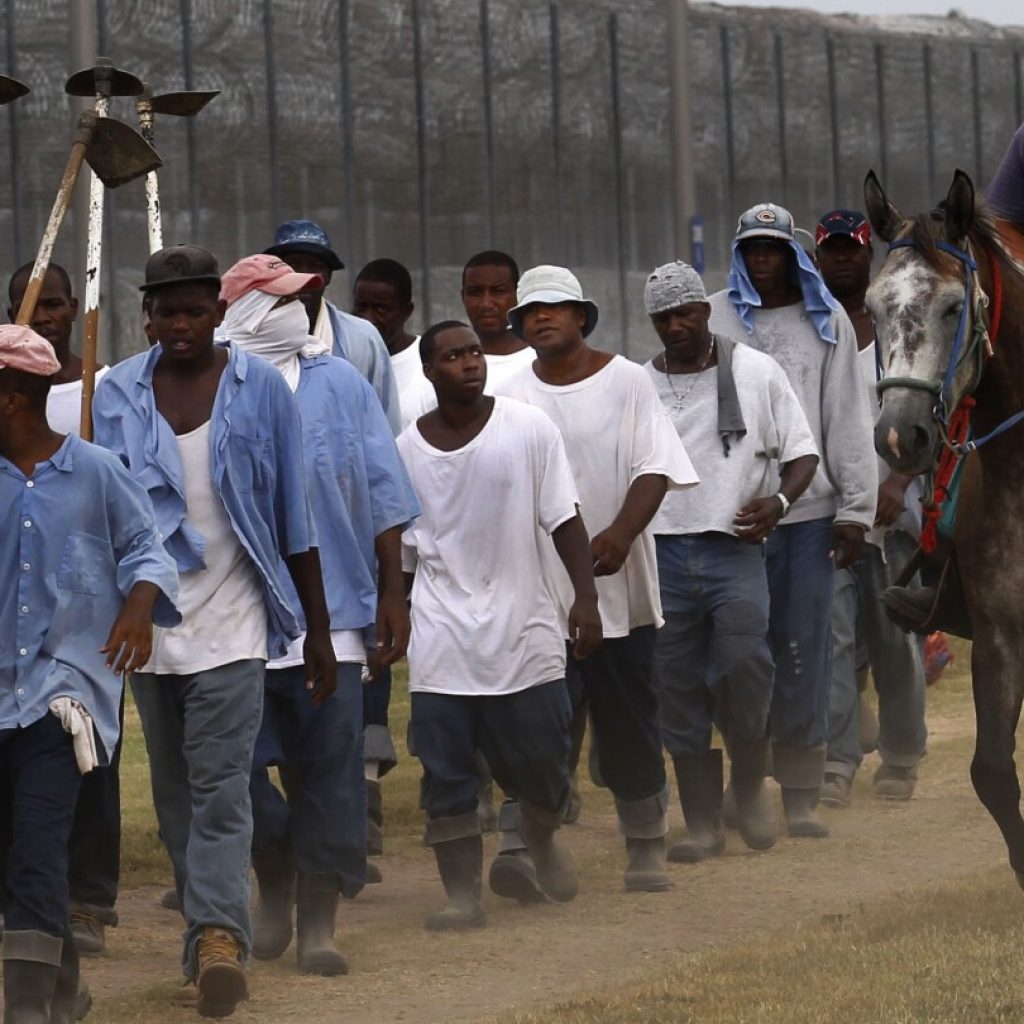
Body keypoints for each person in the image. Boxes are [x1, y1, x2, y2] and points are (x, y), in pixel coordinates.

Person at [92, 244, 337, 1018]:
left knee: (221, 787)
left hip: (234, 624)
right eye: (168, 310)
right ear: (148, 316)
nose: (183, 323)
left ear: (220, 312)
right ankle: (206, 932)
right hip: (150, 629)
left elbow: (294, 516)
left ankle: (218, 939)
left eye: (197, 308)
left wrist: (320, 634)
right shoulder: (116, 393)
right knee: (174, 797)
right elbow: (102, 513)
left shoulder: (260, 390)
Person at [219, 253, 417, 972]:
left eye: (304, 300)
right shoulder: (213, 386)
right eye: (279, 302)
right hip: (234, 621)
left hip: (334, 616)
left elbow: (382, 489)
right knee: (236, 769)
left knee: (330, 772)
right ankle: (274, 877)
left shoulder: (341, 384)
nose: (299, 314)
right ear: (241, 312)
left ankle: (320, 922)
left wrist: (392, 591)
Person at [497, 265, 698, 892]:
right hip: (540, 593)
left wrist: (621, 533)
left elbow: (656, 467)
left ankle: (645, 844)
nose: (541, 318)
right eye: (530, 312)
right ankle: (529, 846)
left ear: (582, 316)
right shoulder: (508, 393)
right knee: (536, 725)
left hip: (618, 587)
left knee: (628, 719)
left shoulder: (627, 381)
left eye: (554, 308)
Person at [0, 324, 178, 1022]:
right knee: (14, 858)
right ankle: (65, 987)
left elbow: (148, 548)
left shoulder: (97, 471)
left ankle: (26, 1010)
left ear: (14, 399)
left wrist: (138, 605)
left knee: (40, 847)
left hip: (61, 698)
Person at [398, 319, 601, 929]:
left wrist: (585, 599)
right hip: (442, 640)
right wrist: (395, 616)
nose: (470, 363)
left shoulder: (529, 428)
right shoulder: (405, 449)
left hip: (526, 630)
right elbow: (404, 557)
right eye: (453, 356)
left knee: (542, 765)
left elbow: (564, 519)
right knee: (446, 772)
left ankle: (538, 840)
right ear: (430, 371)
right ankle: (462, 896)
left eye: (474, 353)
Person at [708, 203, 876, 838]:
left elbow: (848, 418)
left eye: (774, 249)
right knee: (739, 655)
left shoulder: (825, 317)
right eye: (752, 248)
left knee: (804, 650)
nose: (763, 260)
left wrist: (855, 509)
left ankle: (803, 791)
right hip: (729, 518)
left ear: (793, 253)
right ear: (739, 253)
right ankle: (743, 781)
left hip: (809, 516)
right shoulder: (714, 314)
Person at [643, 261, 819, 860]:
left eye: (685, 313)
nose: (675, 326)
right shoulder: (640, 384)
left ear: (705, 311)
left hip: (734, 547)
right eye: (662, 317)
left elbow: (802, 454)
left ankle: (747, 790)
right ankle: (700, 823)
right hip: (661, 552)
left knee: (747, 667)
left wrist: (780, 500)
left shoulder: (754, 371)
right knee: (676, 686)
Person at [7, 262, 117, 957]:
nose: (47, 314)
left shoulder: (105, 389)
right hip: (10, 647)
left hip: (80, 645)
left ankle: (88, 899)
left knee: (85, 775)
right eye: (34, 305)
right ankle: (48, 946)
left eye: (58, 303)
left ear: (76, 308)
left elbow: (136, 522)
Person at [814, 211, 927, 806]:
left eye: (850, 251)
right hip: (829, 512)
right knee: (830, 641)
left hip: (890, 512)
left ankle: (903, 756)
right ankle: (839, 760)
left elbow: (930, 410)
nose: (840, 261)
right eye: (829, 251)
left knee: (893, 640)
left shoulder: (899, 326)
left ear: (869, 256)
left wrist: (899, 481)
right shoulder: (814, 329)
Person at [264, 219, 401, 433]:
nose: (304, 276)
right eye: (293, 265)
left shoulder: (362, 339)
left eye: (315, 267)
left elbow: (384, 425)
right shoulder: (249, 336)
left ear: (327, 277)